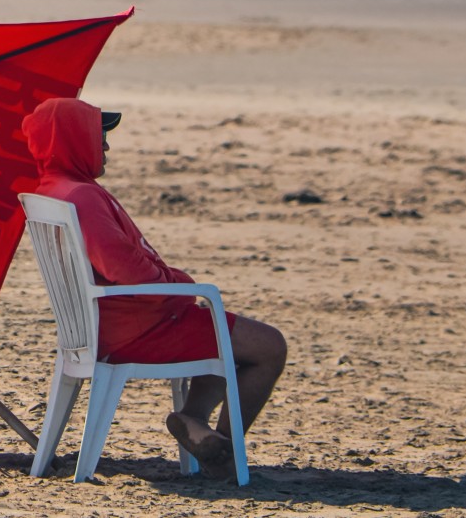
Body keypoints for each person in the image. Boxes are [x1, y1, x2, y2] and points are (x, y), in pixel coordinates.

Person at [21, 97, 287, 478]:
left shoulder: (54, 190)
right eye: (98, 137)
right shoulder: (82, 196)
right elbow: (126, 270)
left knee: (224, 329)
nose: (107, 146)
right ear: (72, 140)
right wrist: (179, 282)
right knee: (267, 346)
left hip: (105, 327)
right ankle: (224, 456)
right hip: (138, 332)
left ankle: (194, 421)